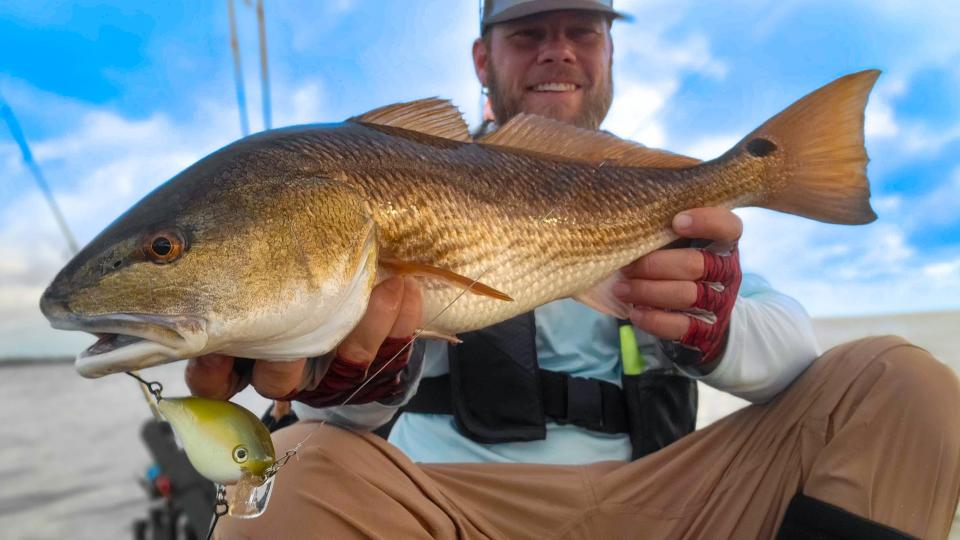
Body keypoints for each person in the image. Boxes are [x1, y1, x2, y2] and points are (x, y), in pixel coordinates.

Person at [190, 1, 960, 538]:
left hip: (667, 504)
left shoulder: (659, 196)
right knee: (284, 465)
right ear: (482, 56)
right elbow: (333, 430)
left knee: (904, 382)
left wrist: (717, 328)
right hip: (443, 505)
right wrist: (348, 379)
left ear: (609, 52)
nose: (557, 49)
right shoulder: (391, 181)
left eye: (581, 31)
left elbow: (793, 352)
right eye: (528, 32)